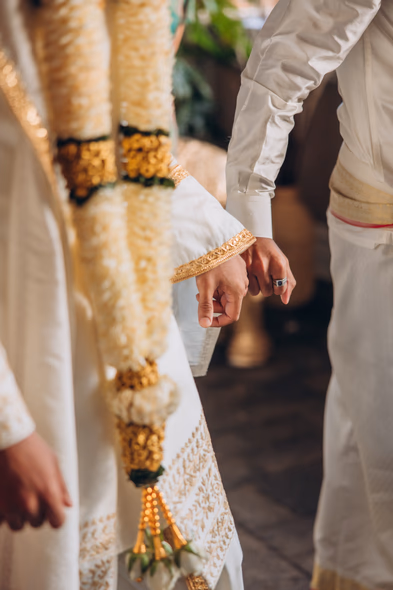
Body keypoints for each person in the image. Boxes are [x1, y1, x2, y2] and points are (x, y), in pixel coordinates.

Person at [0, 1, 255, 589]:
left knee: (185, 545)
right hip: (33, 349)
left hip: (134, 332)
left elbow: (125, 139)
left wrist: (216, 241)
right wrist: (10, 429)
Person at [226, 1, 393, 589]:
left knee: (363, 424)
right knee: (382, 431)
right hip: (386, 227)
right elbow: (282, 63)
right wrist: (250, 213)